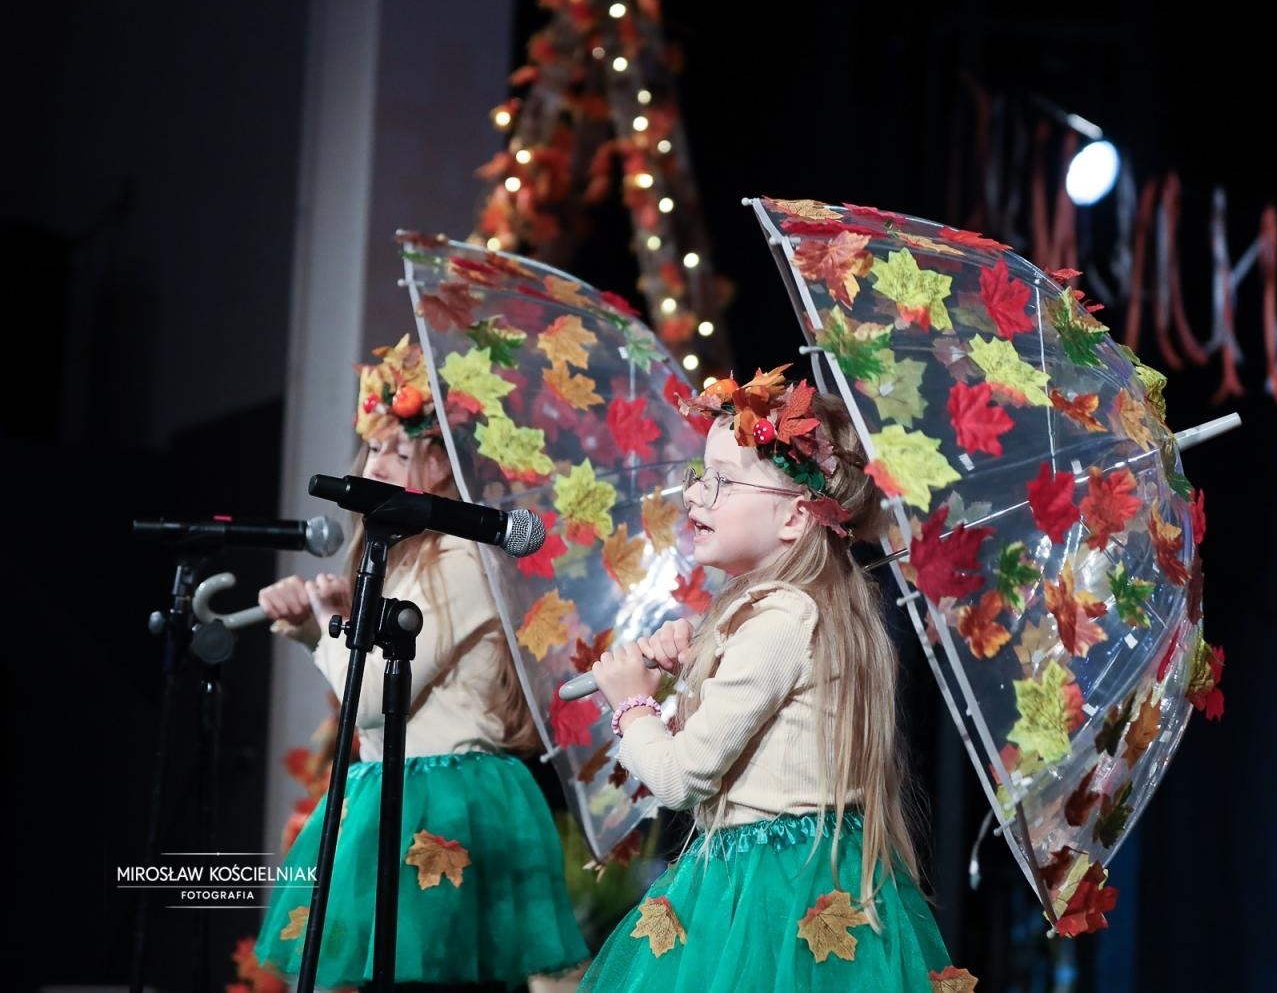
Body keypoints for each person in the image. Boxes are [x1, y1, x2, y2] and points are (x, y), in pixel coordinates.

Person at [579, 368, 976, 991]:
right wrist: (693, 673)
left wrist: (631, 703)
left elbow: (681, 777)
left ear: (795, 518)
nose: (694, 497)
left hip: (773, 890)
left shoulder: (783, 616)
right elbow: (751, 751)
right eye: (698, 475)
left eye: (722, 482)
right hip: (784, 871)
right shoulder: (791, 610)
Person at [253, 335, 589, 992]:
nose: (374, 463)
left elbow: (376, 698)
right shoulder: (401, 559)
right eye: (373, 446)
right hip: (391, 784)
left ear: (442, 465)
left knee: (431, 971)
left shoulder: (459, 559)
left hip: (445, 793)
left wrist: (322, 627)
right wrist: (310, 630)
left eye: (398, 451)